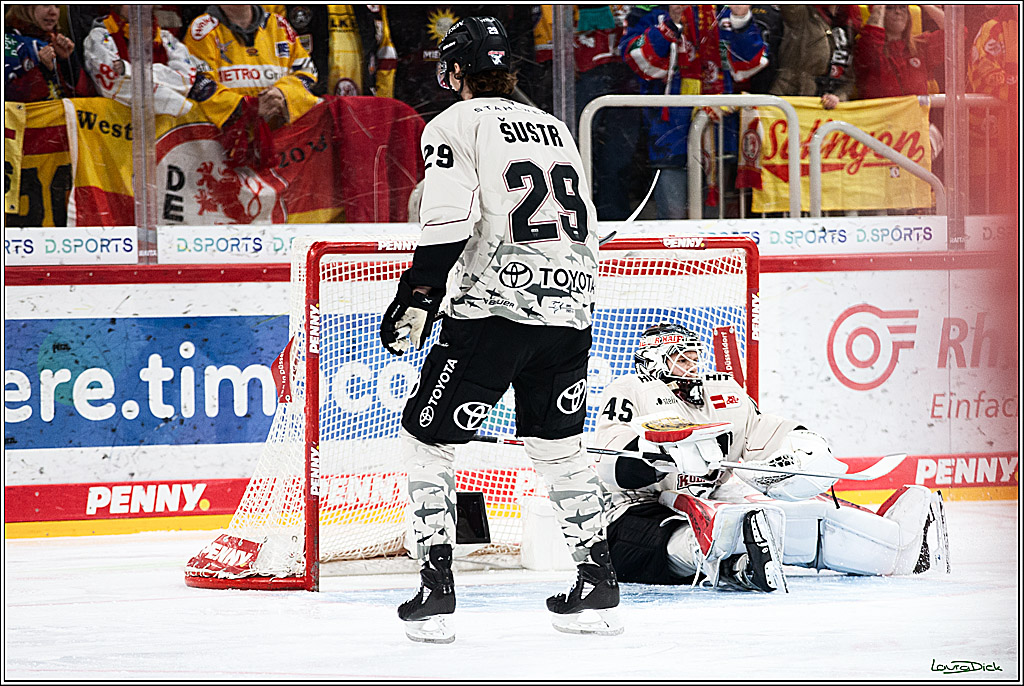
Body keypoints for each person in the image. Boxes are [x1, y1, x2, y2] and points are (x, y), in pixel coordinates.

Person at [378, 15, 619, 643]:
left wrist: (417, 296)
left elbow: (448, 221)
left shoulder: (454, 123)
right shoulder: (555, 127)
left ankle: (436, 587)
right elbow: (584, 224)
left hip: (492, 313)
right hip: (571, 313)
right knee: (558, 447)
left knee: (426, 442)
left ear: (455, 70)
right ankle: (597, 580)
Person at [594, 322, 949, 590]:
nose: (692, 366)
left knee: (793, 515)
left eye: (694, 357)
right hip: (637, 511)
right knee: (678, 536)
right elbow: (611, 460)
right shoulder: (630, 391)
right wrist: (663, 457)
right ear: (654, 361)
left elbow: (761, 432)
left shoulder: (723, 392)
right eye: (681, 359)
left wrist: (800, 444)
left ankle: (897, 549)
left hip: (713, 500)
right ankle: (736, 565)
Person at [183, 5, 320, 167]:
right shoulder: (202, 29)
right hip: (223, 152)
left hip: (282, 152)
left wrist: (283, 93)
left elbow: (307, 74)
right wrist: (248, 107)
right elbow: (198, 84)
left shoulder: (279, 25)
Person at [620, 5, 723, 219]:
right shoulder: (646, 14)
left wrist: (741, 19)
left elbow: (743, 65)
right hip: (670, 131)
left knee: (716, 222)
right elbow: (638, 62)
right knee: (673, 220)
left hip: (719, 132)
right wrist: (671, 25)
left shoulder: (720, 11)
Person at [82, 5, 197, 117]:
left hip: (164, 130)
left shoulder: (167, 39)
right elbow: (113, 86)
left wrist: (130, 70)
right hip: (114, 127)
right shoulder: (99, 36)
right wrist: (172, 98)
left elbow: (185, 80)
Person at [770, 5, 862, 110]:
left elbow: (849, 79)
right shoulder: (802, 13)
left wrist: (838, 97)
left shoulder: (850, 22)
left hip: (825, 110)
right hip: (789, 98)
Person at [854, 5, 945, 100]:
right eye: (889, 8)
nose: (898, 11)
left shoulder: (920, 46)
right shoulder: (865, 45)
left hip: (914, 114)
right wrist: (879, 8)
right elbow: (871, 44)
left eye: (902, 7)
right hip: (880, 114)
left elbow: (956, 35)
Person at [4, 4, 80, 102]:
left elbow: (82, 96)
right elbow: (12, 98)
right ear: (24, 7)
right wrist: (42, 68)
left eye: (57, 6)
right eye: (45, 4)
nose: (53, 12)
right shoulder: (9, 42)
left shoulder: (55, 41)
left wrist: (67, 59)